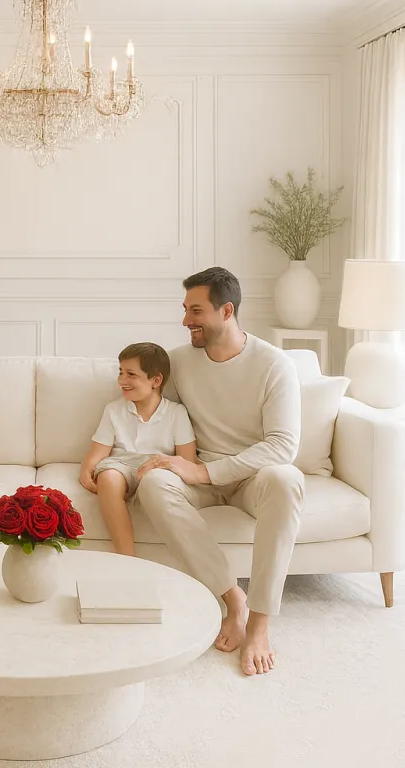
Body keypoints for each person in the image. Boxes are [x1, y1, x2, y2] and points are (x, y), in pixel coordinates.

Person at [136, 266, 304, 677]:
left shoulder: (274, 364)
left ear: (226, 311)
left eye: (196, 311)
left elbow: (283, 445)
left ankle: (260, 623)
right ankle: (233, 600)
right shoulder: (177, 363)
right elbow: (152, 415)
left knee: (287, 479)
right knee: (154, 483)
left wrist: (207, 474)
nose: (185, 321)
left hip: (252, 477)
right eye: (185, 309)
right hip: (200, 470)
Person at [79, 342, 197, 556]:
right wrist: (87, 470)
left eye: (131, 374)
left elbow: (187, 460)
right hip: (121, 464)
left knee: (156, 482)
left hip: (157, 468)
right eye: (121, 372)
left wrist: (164, 467)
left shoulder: (176, 413)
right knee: (109, 477)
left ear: (156, 380)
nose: (122, 380)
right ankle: (127, 556)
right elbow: (99, 452)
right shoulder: (114, 410)